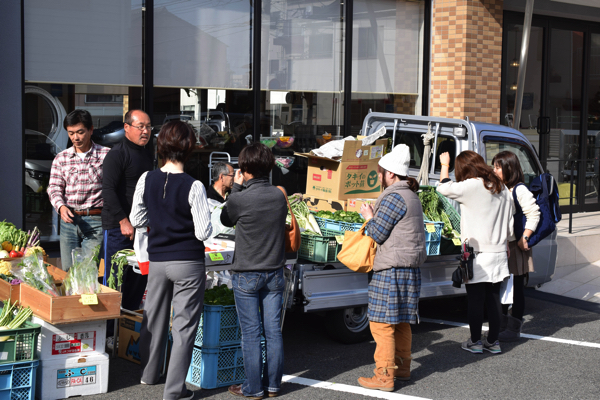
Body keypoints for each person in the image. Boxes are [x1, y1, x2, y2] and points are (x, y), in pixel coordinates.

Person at [130, 120, 212, 400]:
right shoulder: (194, 185)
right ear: (189, 147)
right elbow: (203, 232)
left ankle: (149, 374)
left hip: (157, 261)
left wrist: (158, 224)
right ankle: (173, 391)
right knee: (184, 327)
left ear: (162, 145)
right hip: (188, 262)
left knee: (153, 318)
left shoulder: (146, 178)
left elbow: (137, 220)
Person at [356, 144, 427, 392]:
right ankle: (402, 368)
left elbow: (377, 232)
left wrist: (368, 215)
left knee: (381, 324)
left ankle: (384, 376)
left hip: (391, 268)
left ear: (391, 174)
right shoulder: (411, 194)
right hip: (410, 267)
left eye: (381, 172)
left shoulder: (394, 196)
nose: (379, 177)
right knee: (401, 322)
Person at [220, 143, 287, 400]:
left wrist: (235, 186)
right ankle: (272, 387)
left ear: (245, 169)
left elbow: (227, 219)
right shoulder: (279, 195)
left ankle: (253, 388)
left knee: (250, 334)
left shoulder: (239, 198)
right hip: (274, 272)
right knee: (273, 332)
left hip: (247, 273)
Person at [437, 150, 513, 355]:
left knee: (476, 300)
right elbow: (510, 229)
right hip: (498, 252)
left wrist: (444, 164)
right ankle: (493, 341)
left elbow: (443, 188)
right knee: (494, 298)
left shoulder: (472, 185)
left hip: (477, 254)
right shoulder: (502, 188)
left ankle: (475, 341)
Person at [101, 109, 154, 314]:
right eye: (140, 126)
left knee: (139, 278)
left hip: (141, 229)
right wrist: (123, 221)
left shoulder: (147, 153)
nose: (145, 131)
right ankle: (108, 332)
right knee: (113, 282)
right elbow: (108, 191)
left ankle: (128, 327)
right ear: (126, 128)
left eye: (148, 127)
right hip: (117, 228)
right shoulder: (116, 154)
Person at [48, 109, 110, 271]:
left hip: (95, 220)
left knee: (87, 271)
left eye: (80, 132)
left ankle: (88, 297)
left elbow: (113, 188)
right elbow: (54, 187)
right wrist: (60, 207)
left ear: (90, 130)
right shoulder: (61, 158)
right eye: (71, 133)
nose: (76, 137)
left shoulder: (106, 155)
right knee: (69, 271)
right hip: (69, 221)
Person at [492, 151, 540, 341]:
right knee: (504, 286)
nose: (494, 170)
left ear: (508, 168)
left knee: (517, 288)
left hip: (517, 246)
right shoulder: (503, 188)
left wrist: (525, 237)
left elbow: (534, 213)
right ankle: (503, 325)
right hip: (505, 245)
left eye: (498, 167)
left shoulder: (519, 189)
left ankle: (513, 328)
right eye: (494, 166)